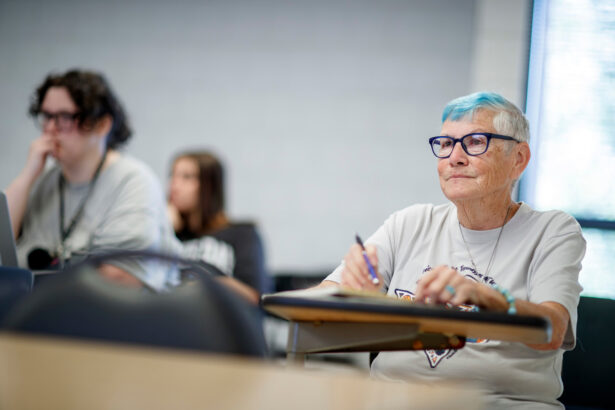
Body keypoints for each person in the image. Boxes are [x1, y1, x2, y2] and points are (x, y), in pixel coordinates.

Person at [319, 92, 586, 409]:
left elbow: (553, 331)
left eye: (475, 142)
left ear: (518, 159)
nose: (454, 158)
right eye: (445, 144)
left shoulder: (552, 231)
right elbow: (318, 304)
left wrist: (487, 298)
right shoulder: (409, 223)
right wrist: (353, 298)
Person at [5, 69, 178, 291]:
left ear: (102, 124)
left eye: (65, 118)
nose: (49, 129)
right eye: (47, 116)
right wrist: (28, 174)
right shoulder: (44, 181)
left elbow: (122, 278)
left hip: (113, 318)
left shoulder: (133, 181)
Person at [167, 150, 271, 304]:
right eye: (172, 176)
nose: (174, 186)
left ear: (209, 186)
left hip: (219, 321)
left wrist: (204, 281)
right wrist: (163, 228)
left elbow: (255, 298)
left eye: (187, 177)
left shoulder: (242, 234)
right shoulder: (167, 236)